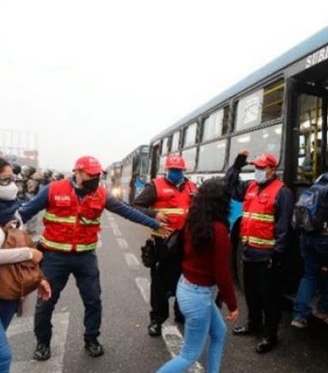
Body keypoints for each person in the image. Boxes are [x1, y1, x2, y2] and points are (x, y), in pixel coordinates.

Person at [18, 156, 170, 361]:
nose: (96, 179)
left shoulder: (101, 194)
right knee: (46, 303)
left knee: (93, 301)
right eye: (92, 175)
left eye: (99, 175)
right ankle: (42, 343)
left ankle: (91, 339)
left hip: (85, 258)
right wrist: (7, 231)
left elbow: (128, 211)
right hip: (54, 257)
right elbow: (24, 213)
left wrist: (153, 223)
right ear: (78, 173)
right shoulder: (54, 189)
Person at [157, 178, 238, 373]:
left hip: (186, 287)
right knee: (189, 355)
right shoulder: (218, 230)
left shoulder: (193, 220)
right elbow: (222, 273)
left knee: (219, 333)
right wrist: (233, 305)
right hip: (198, 296)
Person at [227, 150, 293, 354]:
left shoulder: (282, 192)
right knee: (252, 294)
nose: (258, 171)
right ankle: (253, 323)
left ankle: (269, 335)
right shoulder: (250, 187)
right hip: (248, 252)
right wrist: (237, 165)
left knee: (270, 298)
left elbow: (283, 227)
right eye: (256, 167)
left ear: (272, 170)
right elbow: (229, 185)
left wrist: (278, 254)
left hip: (267, 257)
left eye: (262, 168)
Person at [132, 154, 197, 336]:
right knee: (159, 284)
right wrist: (154, 215)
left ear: (183, 171)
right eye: (172, 170)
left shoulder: (192, 187)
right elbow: (135, 206)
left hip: (185, 241)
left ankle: (181, 313)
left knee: (185, 280)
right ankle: (157, 320)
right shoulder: (155, 186)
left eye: (178, 170)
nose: (175, 173)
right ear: (166, 170)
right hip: (163, 242)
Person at [0, 157, 52, 373]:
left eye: (13, 178)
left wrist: (39, 278)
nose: (12, 184)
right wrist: (28, 254)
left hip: (7, 291)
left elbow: (20, 239)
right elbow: (24, 249)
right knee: (3, 357)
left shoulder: (11, 209)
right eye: (5, 179)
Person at [291, 149, 328, 328]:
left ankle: (299, 315)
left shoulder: (323, 177)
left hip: (308, 234)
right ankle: (325, 307)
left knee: (309, 275)